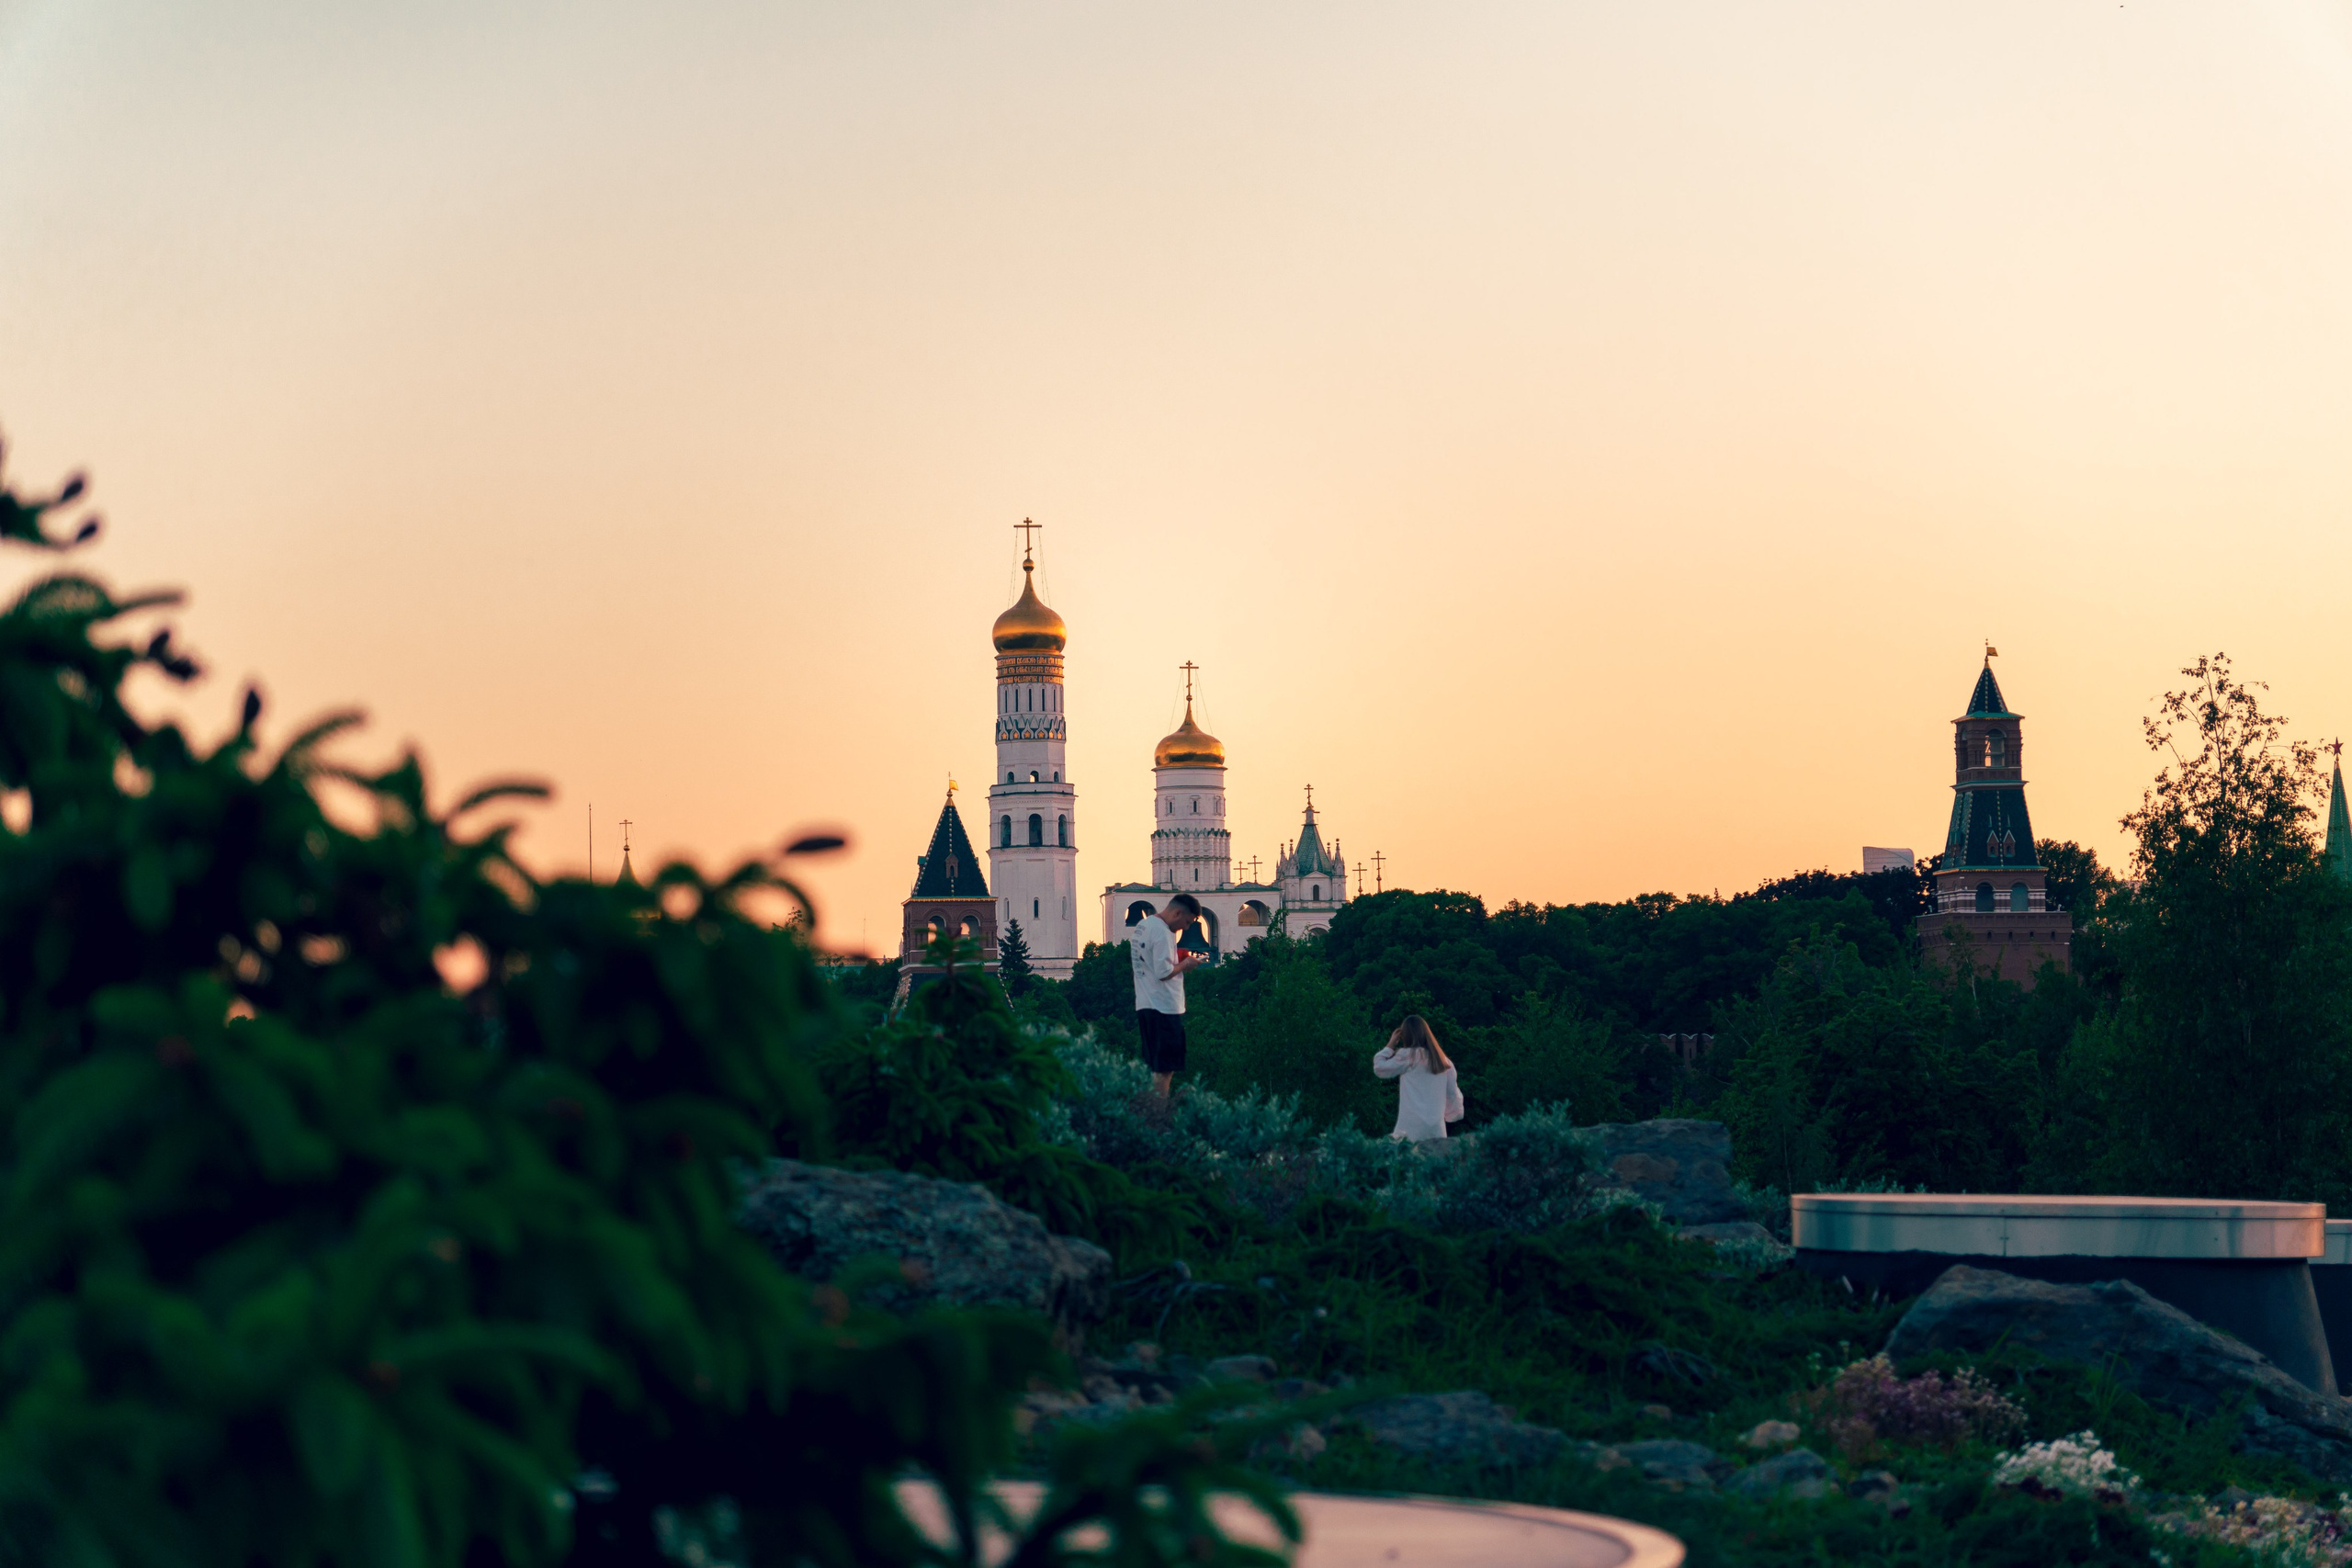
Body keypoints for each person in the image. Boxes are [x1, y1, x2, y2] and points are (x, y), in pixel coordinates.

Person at [1130, 894, 1209, 1097]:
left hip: (1146, 1003)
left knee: (1153, 1066)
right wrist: (1186, 964)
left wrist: (1177, 957)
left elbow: (1150, 961)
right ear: (1177, 912)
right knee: (1165, 1070)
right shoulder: (1163, 933)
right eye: (1187, 921)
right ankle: (1158, 1113)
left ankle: (1150, 1110)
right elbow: (1163, 972)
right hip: (1164, 1008)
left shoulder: (1144, 927)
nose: (1187, 928)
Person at [1373, 1014, 1464, 1141]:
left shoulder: (1408, 1057)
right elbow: (1453, 1095)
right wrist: (1451, 1115)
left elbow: (1379, 1067)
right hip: (1436, 1129)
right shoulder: (1445, 1063)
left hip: (1410, 1129)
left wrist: (1390, 1044)